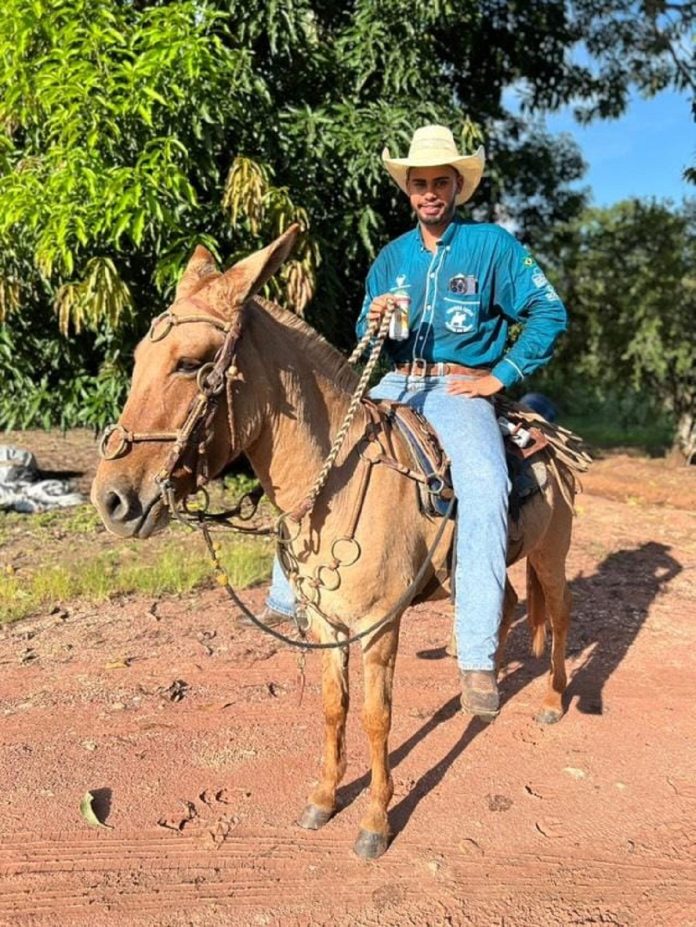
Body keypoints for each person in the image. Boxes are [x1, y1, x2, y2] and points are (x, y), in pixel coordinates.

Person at [254, 124, 568, 719]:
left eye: (440, 182)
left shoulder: (492, 246)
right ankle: (291, 593)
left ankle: (476, 652)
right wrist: (373, 320)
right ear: (408, 189)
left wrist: (499, 375)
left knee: (485, 483)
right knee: (323, 451)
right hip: (396, 380)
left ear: (457, 186)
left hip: (457, 387)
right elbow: (370, 334)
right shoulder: (391, 257)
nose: (429, 192)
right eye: (419, 183)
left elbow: (548, 312)